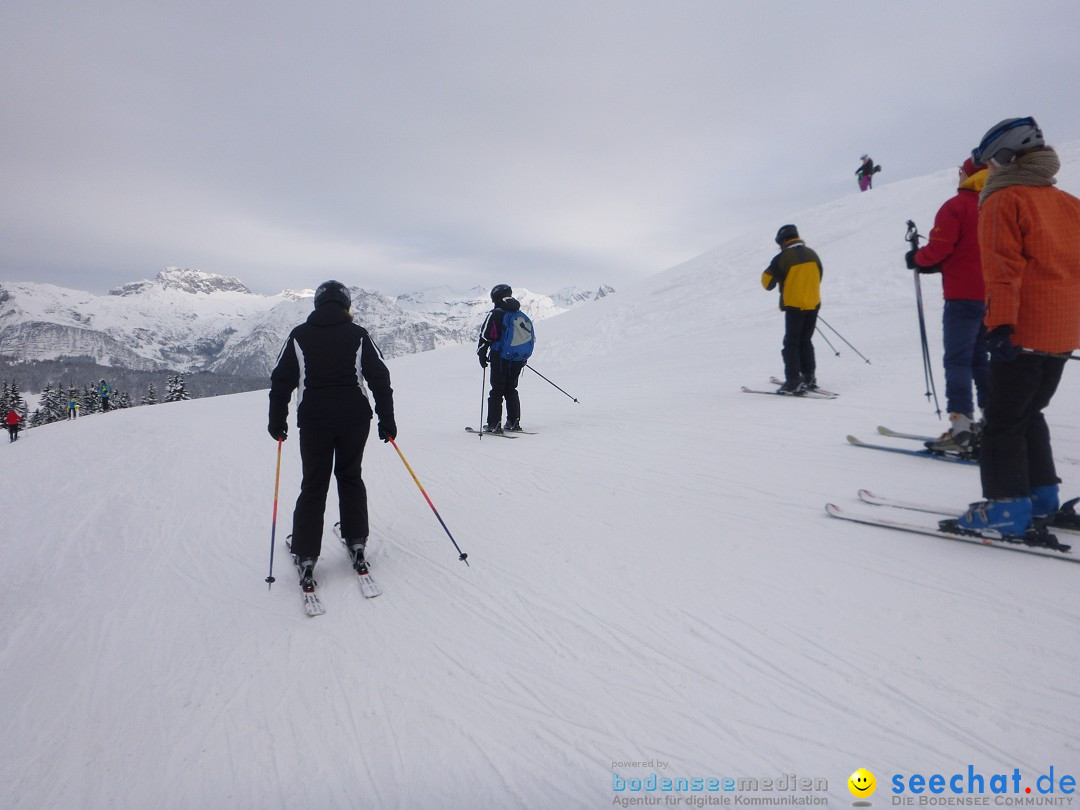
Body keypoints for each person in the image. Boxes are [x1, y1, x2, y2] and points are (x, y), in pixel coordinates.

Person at [950, 117, 1080, 538]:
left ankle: (1007, 507)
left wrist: (1000, 325)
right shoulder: (1068, 202)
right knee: (1029, 411)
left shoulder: (1004, 200)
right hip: (1063, 331)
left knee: (1003, 420)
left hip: (1023, 329)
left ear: (1007, 157)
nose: (991, 170)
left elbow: (1003, 270)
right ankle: (1042, 497)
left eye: (992, 161)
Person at [268, 280, 396, 590]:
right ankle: (356, 540)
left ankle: (306, 553)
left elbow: (281, 381)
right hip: (355, 418)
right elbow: (380, 378)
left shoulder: (299, 335)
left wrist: (277, 420)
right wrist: (387, 419)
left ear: (318, 304)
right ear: (346, 305)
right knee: (350, 476)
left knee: (314, 484)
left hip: (315, 420)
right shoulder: (358, 335)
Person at [906, 156, 991, 453]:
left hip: (962, 297)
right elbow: (972, 250)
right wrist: (939, 265)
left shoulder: (957, 206)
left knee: (958, 359)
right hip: (992, 296)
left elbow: (941, 247)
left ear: (967, 175)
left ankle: (962, 426)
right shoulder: (995, 202)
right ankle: (993, 421)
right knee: (980, 358)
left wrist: (918, 259)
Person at [761, 224, 824, 394]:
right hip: (813, 304)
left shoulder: (783, 257)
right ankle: (809, 377)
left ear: (782, 241)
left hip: (795, 306)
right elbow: (820, 276)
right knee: (806, 340)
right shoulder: (813, 254)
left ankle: (793, 381)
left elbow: (767, 283)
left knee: (791, 343)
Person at [477, 284, 528, 432]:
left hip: (500, 357)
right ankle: (514, 422)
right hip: (518, 358)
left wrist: (481, 354)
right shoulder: (519, 314)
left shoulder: (496, 314)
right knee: (511, 389)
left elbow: (485, 336)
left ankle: (494, 424)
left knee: (497, 390)